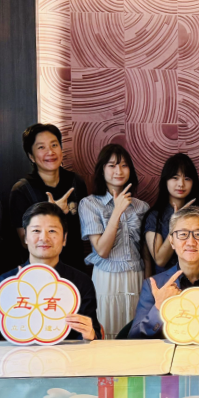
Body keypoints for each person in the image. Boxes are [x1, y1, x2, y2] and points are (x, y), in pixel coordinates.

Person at [0, 202, 99, 342]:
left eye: (52, 231)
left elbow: (94, 335)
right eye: (36, 231)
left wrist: (89, 334)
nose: (44, 238)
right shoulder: (5, 283)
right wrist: (5, 306)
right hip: (16, 354)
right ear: (25, 238)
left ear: (64, 239)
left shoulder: (81, 282)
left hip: (65, 354)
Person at [129, 206, 199, 341]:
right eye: (183, 234)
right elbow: (134, 338)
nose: (191, 242)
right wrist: (159, 306)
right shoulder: (154, 285)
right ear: (172, 241)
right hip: (168, 354)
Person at [79, 143, 150, 339]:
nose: (119, 171)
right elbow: (102, 250)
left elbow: (146, 252)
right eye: (112, 165)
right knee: (107, 330)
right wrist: (117, 211)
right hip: (106, 276)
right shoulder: (89, 204)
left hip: (136, 276)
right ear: (102, 170)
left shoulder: (142, 207)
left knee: (134, 332)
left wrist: (148, 284)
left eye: (124, 165)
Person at [5, 123, 89, 271]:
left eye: (54, 145)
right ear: (31, 156)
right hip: (40, 270)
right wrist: (52, 213)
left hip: (74, 267)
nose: (50, 152)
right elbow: (24, 242)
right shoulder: (22, 190)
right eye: (41, 147)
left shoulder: (76, 182)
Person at [144, 153, 199, 274]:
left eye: (187, 178)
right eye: (175, 178)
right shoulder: (154, 216)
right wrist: (177, 223)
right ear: (165, 181)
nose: (181, 184)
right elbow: (160, 260)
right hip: (166, 281)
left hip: (195, 280)